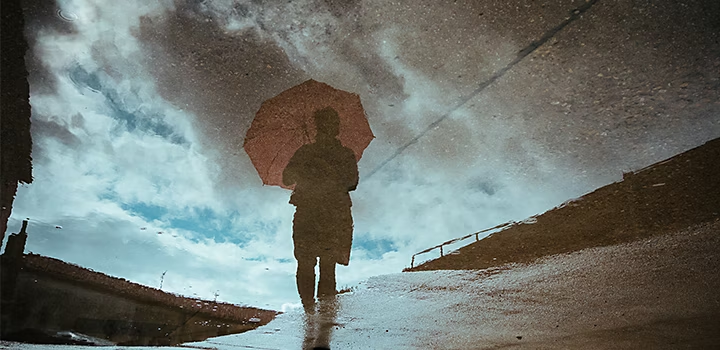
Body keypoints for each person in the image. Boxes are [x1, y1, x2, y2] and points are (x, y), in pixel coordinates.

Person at [282, 107, 358, 311]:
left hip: (331, 214)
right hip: (310, 213)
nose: (328, 128)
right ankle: (309, 310)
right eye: (324, 124)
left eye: (331, 124)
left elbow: (352, 182)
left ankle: (321, 314)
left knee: (326, 265)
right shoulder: (305, 152)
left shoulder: (344, 154)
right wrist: (305, 165)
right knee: (308, 263)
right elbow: (287, 177)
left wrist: (325, 169)